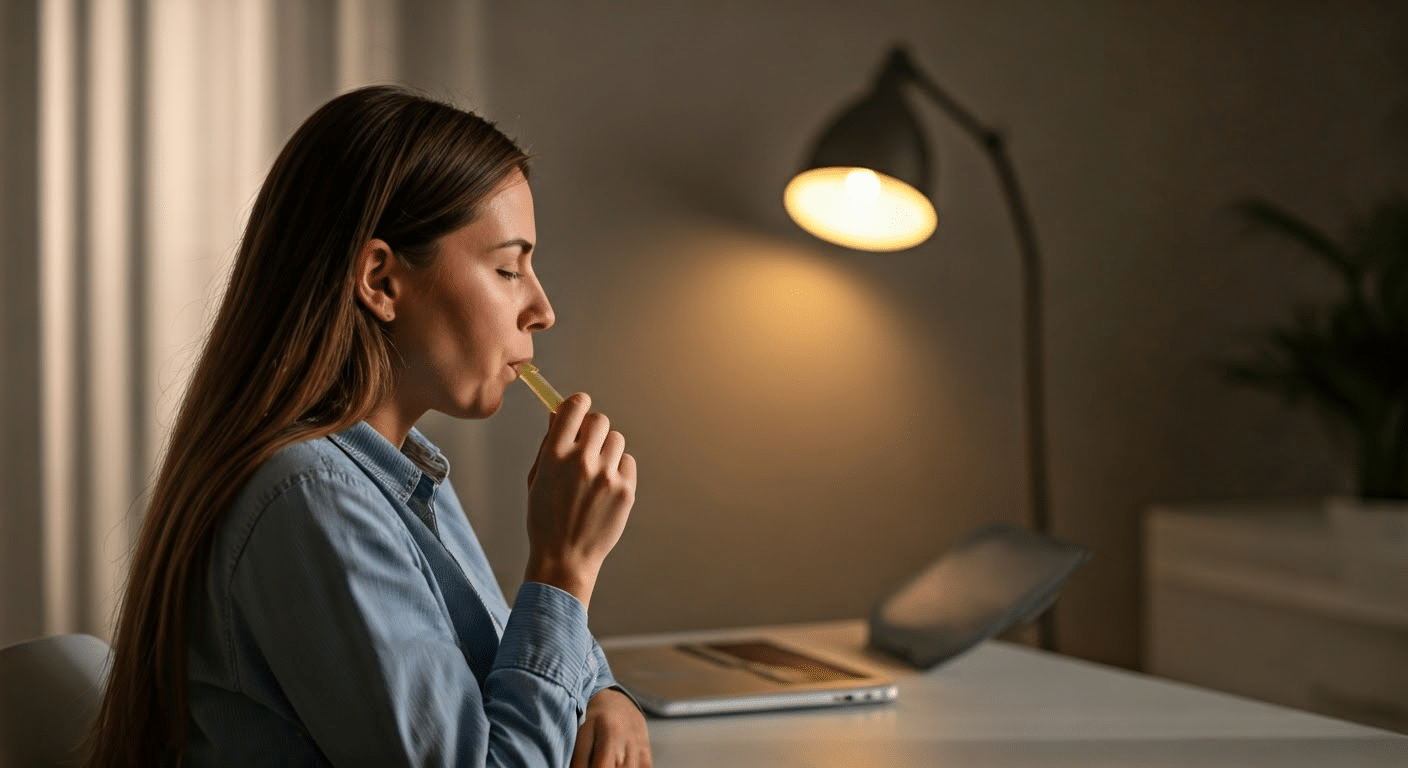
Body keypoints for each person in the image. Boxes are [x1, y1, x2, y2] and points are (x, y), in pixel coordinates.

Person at [85, 85, 651, 767]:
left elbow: (501, 664)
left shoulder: (397, 474)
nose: (541, 308)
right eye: (507, 268)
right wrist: (565, 567)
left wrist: (603, 694)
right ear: (380, 281)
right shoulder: (313, 498)